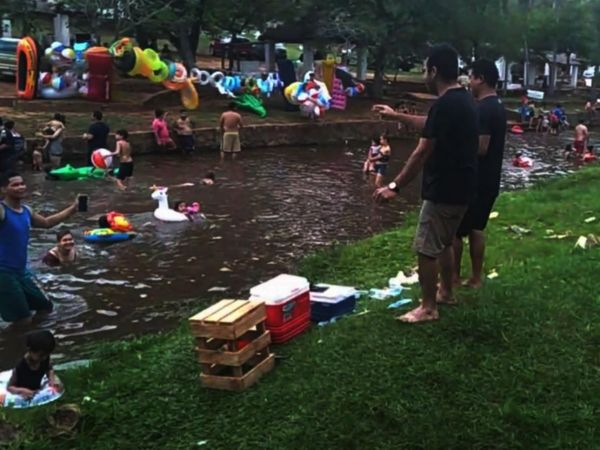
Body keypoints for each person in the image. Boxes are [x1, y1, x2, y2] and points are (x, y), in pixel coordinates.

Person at [373, 43, 478, 323]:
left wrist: (393, 187)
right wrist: (396, 116)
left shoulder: (445, 104)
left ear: (434, 71)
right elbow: (430, 122)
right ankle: (446, 292)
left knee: (425, 248)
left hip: (444, 190)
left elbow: (421, 152)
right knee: (442, 243)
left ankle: (429, 307)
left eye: (424, 70)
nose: (424, 76)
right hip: (463, 188)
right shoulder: (463, 99)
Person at [453, 59, 506, 289]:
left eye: (472, 77)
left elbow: (481, 147)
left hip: (475, 180)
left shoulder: (483, 108)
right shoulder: (498, 106)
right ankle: (476, 277)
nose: (470, 82)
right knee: (477, 228)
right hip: (490, 179)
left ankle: (453, 278)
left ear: (481, 79)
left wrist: (455, 149)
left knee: (455, 231)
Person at [0, 172, 79, 325]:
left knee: (46, 307)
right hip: (3, 273)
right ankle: (15, 345)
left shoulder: (26, 211)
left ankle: (33, 340)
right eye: (15, 185)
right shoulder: (2, 211)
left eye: (22, 183)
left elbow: (47, 222)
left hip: (21, 271)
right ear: (3, 189)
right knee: (22, 319)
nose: (21, 187)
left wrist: (73, 208)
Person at [7, 330, 59, 399]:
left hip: (36, 389)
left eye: (47, 354)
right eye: (41, 355)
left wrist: (51, 378)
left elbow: (49, 368)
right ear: (30, 350)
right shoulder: (20, 366)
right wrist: (21, 390)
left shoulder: (44, 359)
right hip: (23, 391)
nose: (45, 357)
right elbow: (9, 387)